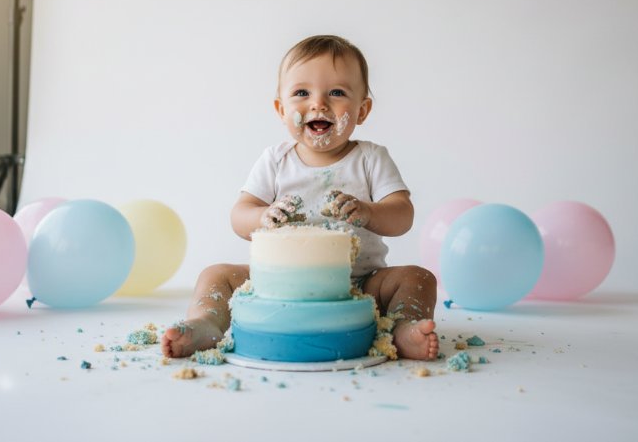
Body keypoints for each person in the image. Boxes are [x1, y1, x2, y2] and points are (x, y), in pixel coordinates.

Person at [161, 35, 439, 361]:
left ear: (362, 110)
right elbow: (240, 214)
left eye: (337, 93)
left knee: (417, 278)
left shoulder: (370, 158)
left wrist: (368, 212)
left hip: (358, 286)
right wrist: (262, 218)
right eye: (301, 93)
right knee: (215, 275)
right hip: (277, 283)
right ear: (281, 109)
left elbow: (402, 215)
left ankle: (403, 329)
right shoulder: (276, 160)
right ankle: (207, 323)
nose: (318, 104)